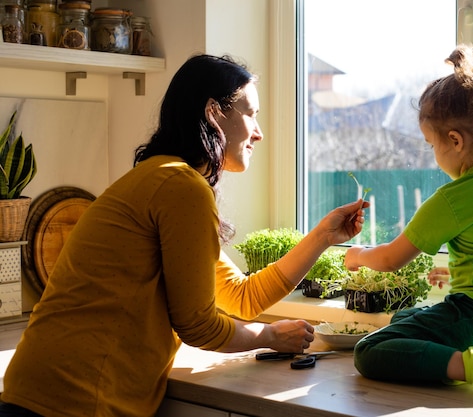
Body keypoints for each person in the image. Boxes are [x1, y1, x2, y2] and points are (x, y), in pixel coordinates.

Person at [0, 54, 367, 417]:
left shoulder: (164, 177)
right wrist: (270, 336)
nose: (259, 132)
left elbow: (242, 297)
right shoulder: (181, 186)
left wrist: (322, 236)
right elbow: (198, 326)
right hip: (74, 400)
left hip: (42, 391)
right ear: (214, 112)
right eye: (251, 113)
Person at [344, 45, 473, 399]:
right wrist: (457, 274)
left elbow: (392, 259)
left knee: (369, 351)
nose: (433, 154)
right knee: (402, 320)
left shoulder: (453, 199)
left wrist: (358, 255)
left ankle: (472, 367)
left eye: (431, 144)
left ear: (454, 140)